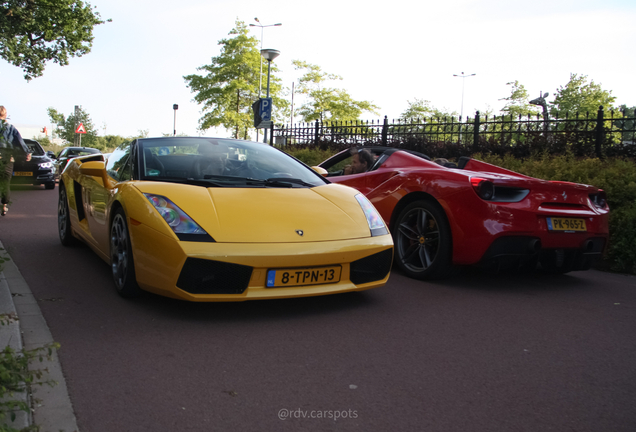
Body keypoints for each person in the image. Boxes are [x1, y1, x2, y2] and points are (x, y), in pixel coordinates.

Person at [0, 106, 32, 216]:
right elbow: (20, 142)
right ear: (5, 115)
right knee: (5, 183)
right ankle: (4, 206)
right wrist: (27, 153)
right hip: (7, 158)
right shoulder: (11, 128)